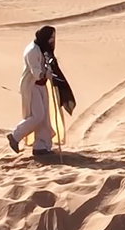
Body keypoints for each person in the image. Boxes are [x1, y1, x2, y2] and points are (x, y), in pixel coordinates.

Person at [7, 25, 75, 156]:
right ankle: (15, 136)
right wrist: (48, 75)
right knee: (37, 115)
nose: (53, 41)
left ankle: (41, 146)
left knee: (44, 116)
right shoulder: (32, 51)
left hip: (41, 85)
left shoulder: (43, 48)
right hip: (31, 86)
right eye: (51, 38)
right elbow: (36, 73)